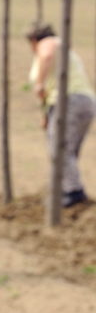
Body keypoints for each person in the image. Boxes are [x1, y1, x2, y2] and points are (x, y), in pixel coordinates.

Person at [27, 23, 96, 207]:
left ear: (33, 40)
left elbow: (46, 54)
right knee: (67, 150)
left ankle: (73, 192)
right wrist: (46, 115)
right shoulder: (62, 50)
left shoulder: (48, 42)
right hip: (83, 102)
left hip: (69, 101)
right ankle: (65, 188)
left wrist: (39, 83)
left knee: (59, 148)